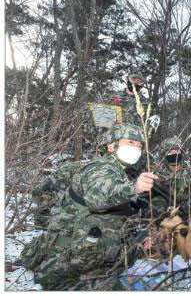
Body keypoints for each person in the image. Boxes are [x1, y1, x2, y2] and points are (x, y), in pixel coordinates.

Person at [24, 123, 158, 290]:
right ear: (111, 145)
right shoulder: (99, 168)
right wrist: (134, 188)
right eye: (130, 142)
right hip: (62, 269)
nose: (136, 148)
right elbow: (97, 198)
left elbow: (113, 220)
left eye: (139, 145)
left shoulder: (118, 172)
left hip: (87, 260)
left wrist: (137, 242)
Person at [150, 136, 191, 222]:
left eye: (177, 151)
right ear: (164, 154)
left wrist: (179, 211)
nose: (174, 154)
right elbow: (152, 197)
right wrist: (163, 212)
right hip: (162, 218)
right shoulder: (157, 174)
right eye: (170, 152)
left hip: (187, 217)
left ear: (182, 153)